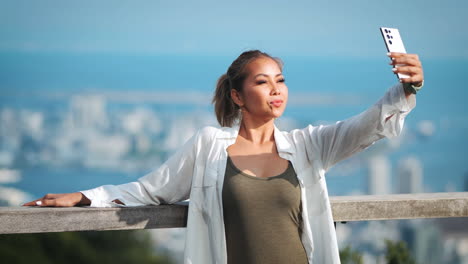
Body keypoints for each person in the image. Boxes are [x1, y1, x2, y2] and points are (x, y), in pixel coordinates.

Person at [24, 50, 424, 264]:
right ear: (237, 95)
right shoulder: (209, 146)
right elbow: (152, 190)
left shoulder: (308, 145)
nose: (275, 89)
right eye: (262, 81)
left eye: (280, 81)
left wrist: (408, 89)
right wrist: (83, 197)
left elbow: (367, 126)